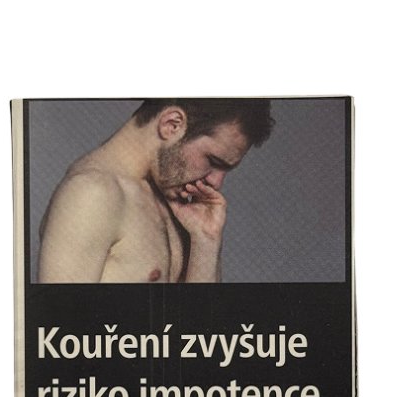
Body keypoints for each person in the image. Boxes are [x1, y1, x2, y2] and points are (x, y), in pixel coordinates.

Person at [37, 99, 273, 283]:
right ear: (172, 125)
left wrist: (206, 240)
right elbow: (62, 327)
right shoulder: (91, 194)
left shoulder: (175, 200)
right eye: (212, 160)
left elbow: (203, 327)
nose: (216, 182)